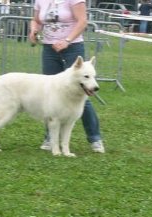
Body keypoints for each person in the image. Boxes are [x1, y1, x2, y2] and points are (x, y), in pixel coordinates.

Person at [28, 0, 105, 153]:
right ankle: (50, 137)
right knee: (49, 95)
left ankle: (95, 138)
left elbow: (82, 21)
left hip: (72, 47)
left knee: (83, 93)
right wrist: (33, 31)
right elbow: (36, 20)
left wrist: (67, 40)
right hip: (50, 49)